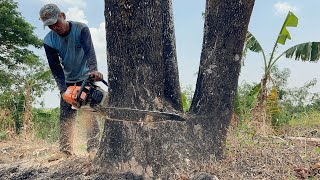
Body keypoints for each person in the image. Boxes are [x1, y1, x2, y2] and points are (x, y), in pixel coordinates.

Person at [39, 4, 103, 161]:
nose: (54, 27)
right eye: (49, 25)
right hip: (68, 81)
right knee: (66, 116)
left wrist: (94, 70)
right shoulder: (48, 41)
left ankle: (93, 148)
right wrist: (63, 90)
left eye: (56, 22)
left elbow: (89, 52)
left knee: (89, 113)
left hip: (86, 77)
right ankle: (65, 151)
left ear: (62, 15)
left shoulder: (81, 29)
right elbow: (55, 68)